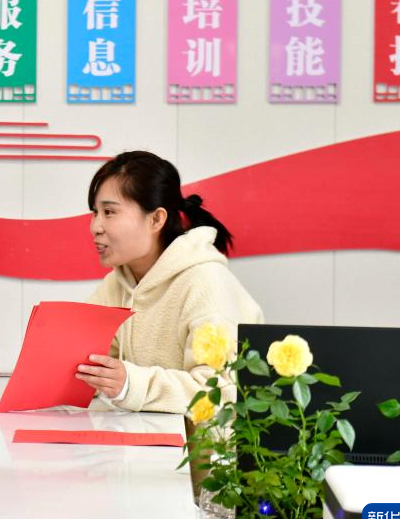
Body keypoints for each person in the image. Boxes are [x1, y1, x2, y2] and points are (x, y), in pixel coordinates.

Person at [75, 151, 263, 414]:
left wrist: (131, 385)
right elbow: (85, 363)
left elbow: (221, 393)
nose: (95, 227)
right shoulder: (119, 283)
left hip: (206, 442)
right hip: (147, 437)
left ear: (156, 219)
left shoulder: (206, 281)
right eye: (95, 213)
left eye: (109, 212)